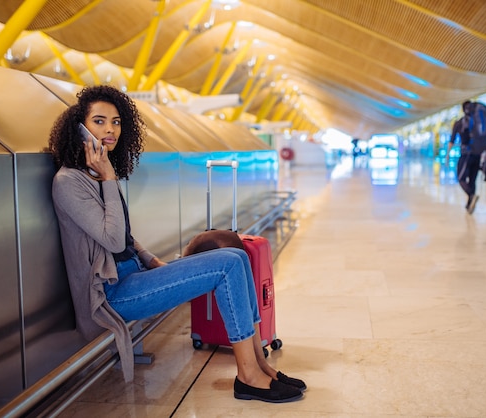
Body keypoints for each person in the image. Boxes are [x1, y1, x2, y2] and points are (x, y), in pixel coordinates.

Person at [48, 85, 305, 403]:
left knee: (236, 255)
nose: (110, 129)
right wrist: (110, 178)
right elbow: (112, 239)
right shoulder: (69, 182)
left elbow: (126, 238)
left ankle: (260, 366)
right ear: (80, 128)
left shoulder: (94, 175)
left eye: (116, 122)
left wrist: (153, 260)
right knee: (226, 264)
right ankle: (247, 376)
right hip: (113, 295)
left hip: (136, 276)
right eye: (99, 121)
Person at [446, 100, 486, 214]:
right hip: (478, 154)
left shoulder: (460, 123)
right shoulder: (478, 123)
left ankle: (471, 195)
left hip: (466, 154)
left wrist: (447, 155)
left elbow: (452, 140)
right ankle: (469, 205)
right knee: (472, 180)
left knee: (460, 178)